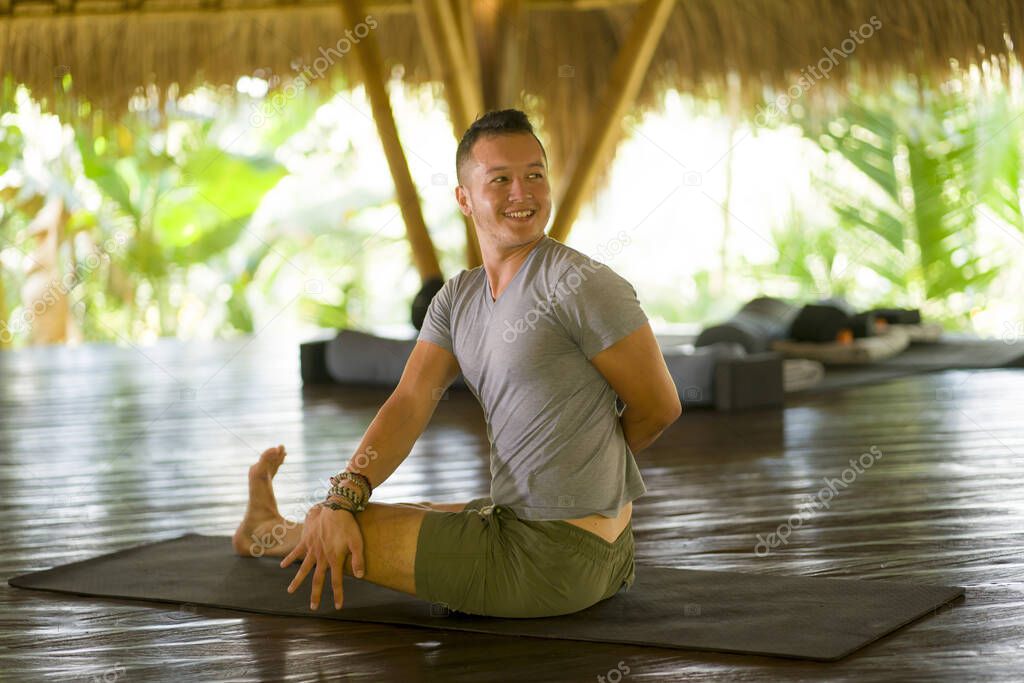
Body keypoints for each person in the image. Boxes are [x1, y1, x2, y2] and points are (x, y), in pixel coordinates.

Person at [233, 109, 681, 618]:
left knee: (355, 526)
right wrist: (344, 493)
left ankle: (264, 534)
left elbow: (659, 407)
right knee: (391, 512)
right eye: (501, 179)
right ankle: (266, 528)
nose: (523, 192)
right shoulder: (457, 299)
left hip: (556, 558)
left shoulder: (581, 284)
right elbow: (409, 402)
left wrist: (587, 464)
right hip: (530, 528)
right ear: (464, 198)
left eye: (535, 174)